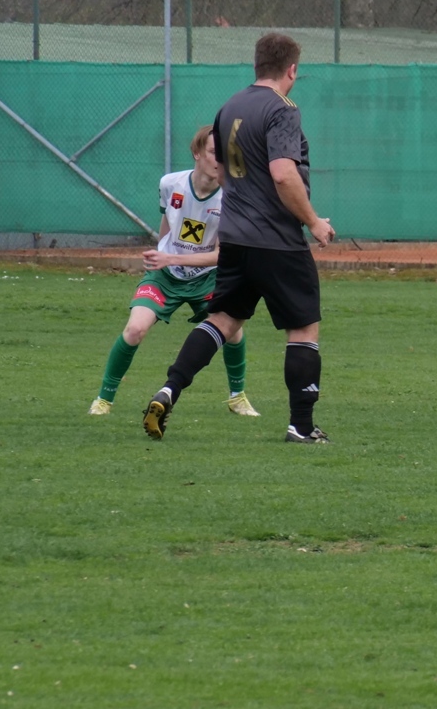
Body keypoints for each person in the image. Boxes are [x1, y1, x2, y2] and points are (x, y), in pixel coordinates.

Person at [143, 32, 335, 443]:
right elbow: (282, 174)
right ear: (292, 70)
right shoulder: (282, 109)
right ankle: (301, 427)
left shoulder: (229, 107)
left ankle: (169, 389)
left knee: (223, 320)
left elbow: (229, 175)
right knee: (303, 329)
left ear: (256, 65)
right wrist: (313, 222)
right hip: (277, 240)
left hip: (234, 238)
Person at [89, 125, 259, 418]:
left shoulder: (231, 198)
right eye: (213, 152)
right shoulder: (170, 184)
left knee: (232, 331)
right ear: (196, 153)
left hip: (207, 277)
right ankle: (104, 399)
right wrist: (162, 255)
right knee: (135, 329)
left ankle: (237, 397)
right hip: (165, 276)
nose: (220, 159)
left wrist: (170, 257)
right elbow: (168, 221)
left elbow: (221, 255)